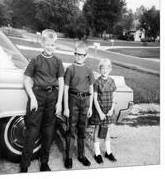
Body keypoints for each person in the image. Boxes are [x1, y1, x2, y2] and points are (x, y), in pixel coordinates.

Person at [20, 29, 64, 172]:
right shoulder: (35, 60)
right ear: (42, 43)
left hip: (52, 97)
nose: (50, 47)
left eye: (53, 45)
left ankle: (44, 161)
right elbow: (26, 80)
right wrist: (32, 97)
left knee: (49, 131)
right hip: (37, 95)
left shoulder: (58, 61)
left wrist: (59, 102)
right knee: (32, 130)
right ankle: (25, 164)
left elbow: (61, 82)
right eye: (48, 44)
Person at [64, 41, 95, 169]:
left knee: (82, 129)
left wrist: (90, 107)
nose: (79, 57)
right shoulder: (70, 69)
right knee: (71, 128)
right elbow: (65, 88)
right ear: (74, 54)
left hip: (85, 101)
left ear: (86, 56)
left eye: (82, 55)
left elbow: (92, 89)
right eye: (77, 54)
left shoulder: (89, 70)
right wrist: (66, 107)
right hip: (73, 100)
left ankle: (81, 155)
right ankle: (69, 157)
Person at [90, 58, 117, 164]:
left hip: (108, 110)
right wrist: (100, 113)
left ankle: (108, 152)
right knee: (97, 130)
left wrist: (111, 109)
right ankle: (97, 153)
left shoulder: (112, 81)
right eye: (102, 68)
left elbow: (114, 97)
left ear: (110, 69)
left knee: (107, 131)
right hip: (99, 111)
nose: (105, 70)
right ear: (99, 69)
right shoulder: (97, 82)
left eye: (107, 68)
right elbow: (95, 99)